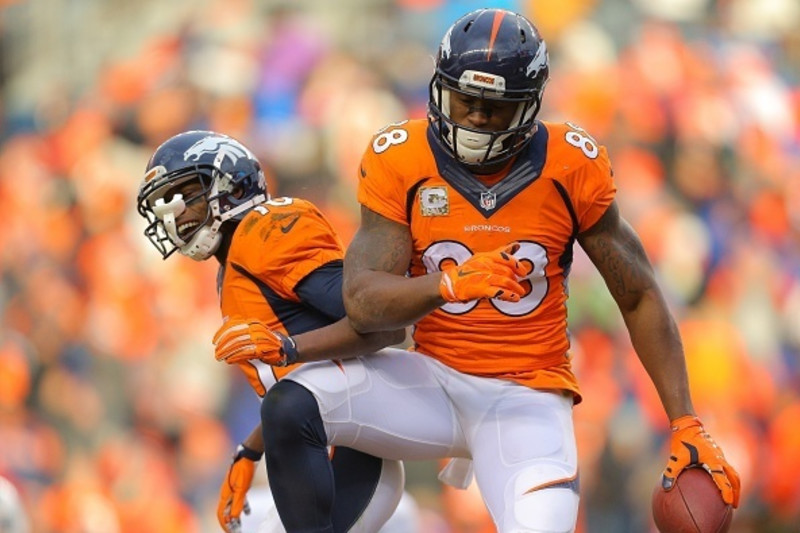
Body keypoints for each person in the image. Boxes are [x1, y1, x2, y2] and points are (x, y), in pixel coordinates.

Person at [226, 8, 741, 533]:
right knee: (293, 404)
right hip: (432, 380)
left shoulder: (572, 164)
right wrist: (445, 284)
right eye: (463, 100)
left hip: (527, 398)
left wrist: (685, 420)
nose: (473, 116)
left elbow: (638, 295)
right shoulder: (400, 158)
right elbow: (364, 304)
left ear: (529, 106)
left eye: (493, 108)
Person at [136, 130, 411, 533]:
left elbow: (382, 325)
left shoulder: (265, 230)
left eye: (187, 195)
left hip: (349, 455)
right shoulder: (233, 262)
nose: (176, 215)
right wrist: (251, 449)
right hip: (319, 450)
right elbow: (304, 384)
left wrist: (288, 348)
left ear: (229, 186)